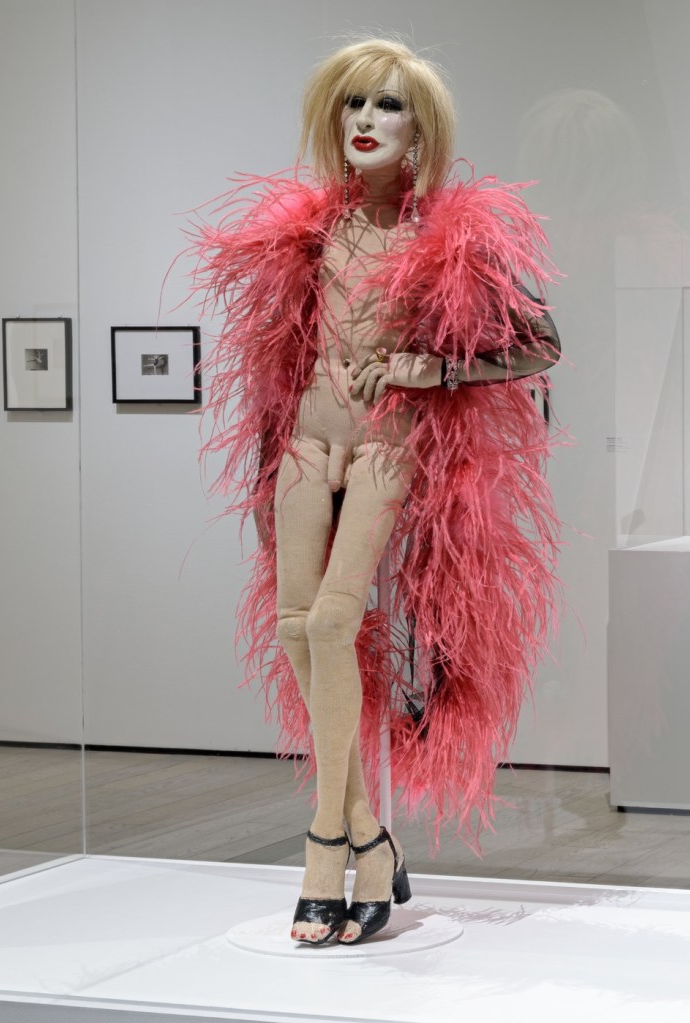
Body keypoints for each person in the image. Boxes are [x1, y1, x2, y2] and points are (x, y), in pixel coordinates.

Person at [195, 39, 560, 946]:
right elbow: (282, 351)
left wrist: (437, 367)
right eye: (353, 103)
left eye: (387, 105)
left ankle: (326, 838)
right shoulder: (312, 229)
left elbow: (541, 342)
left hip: (386, 442)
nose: (366, 120)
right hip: (307, 438)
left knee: (331, 623)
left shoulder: (448, 236)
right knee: (293, 625)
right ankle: (369, 830)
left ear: (421, 125)